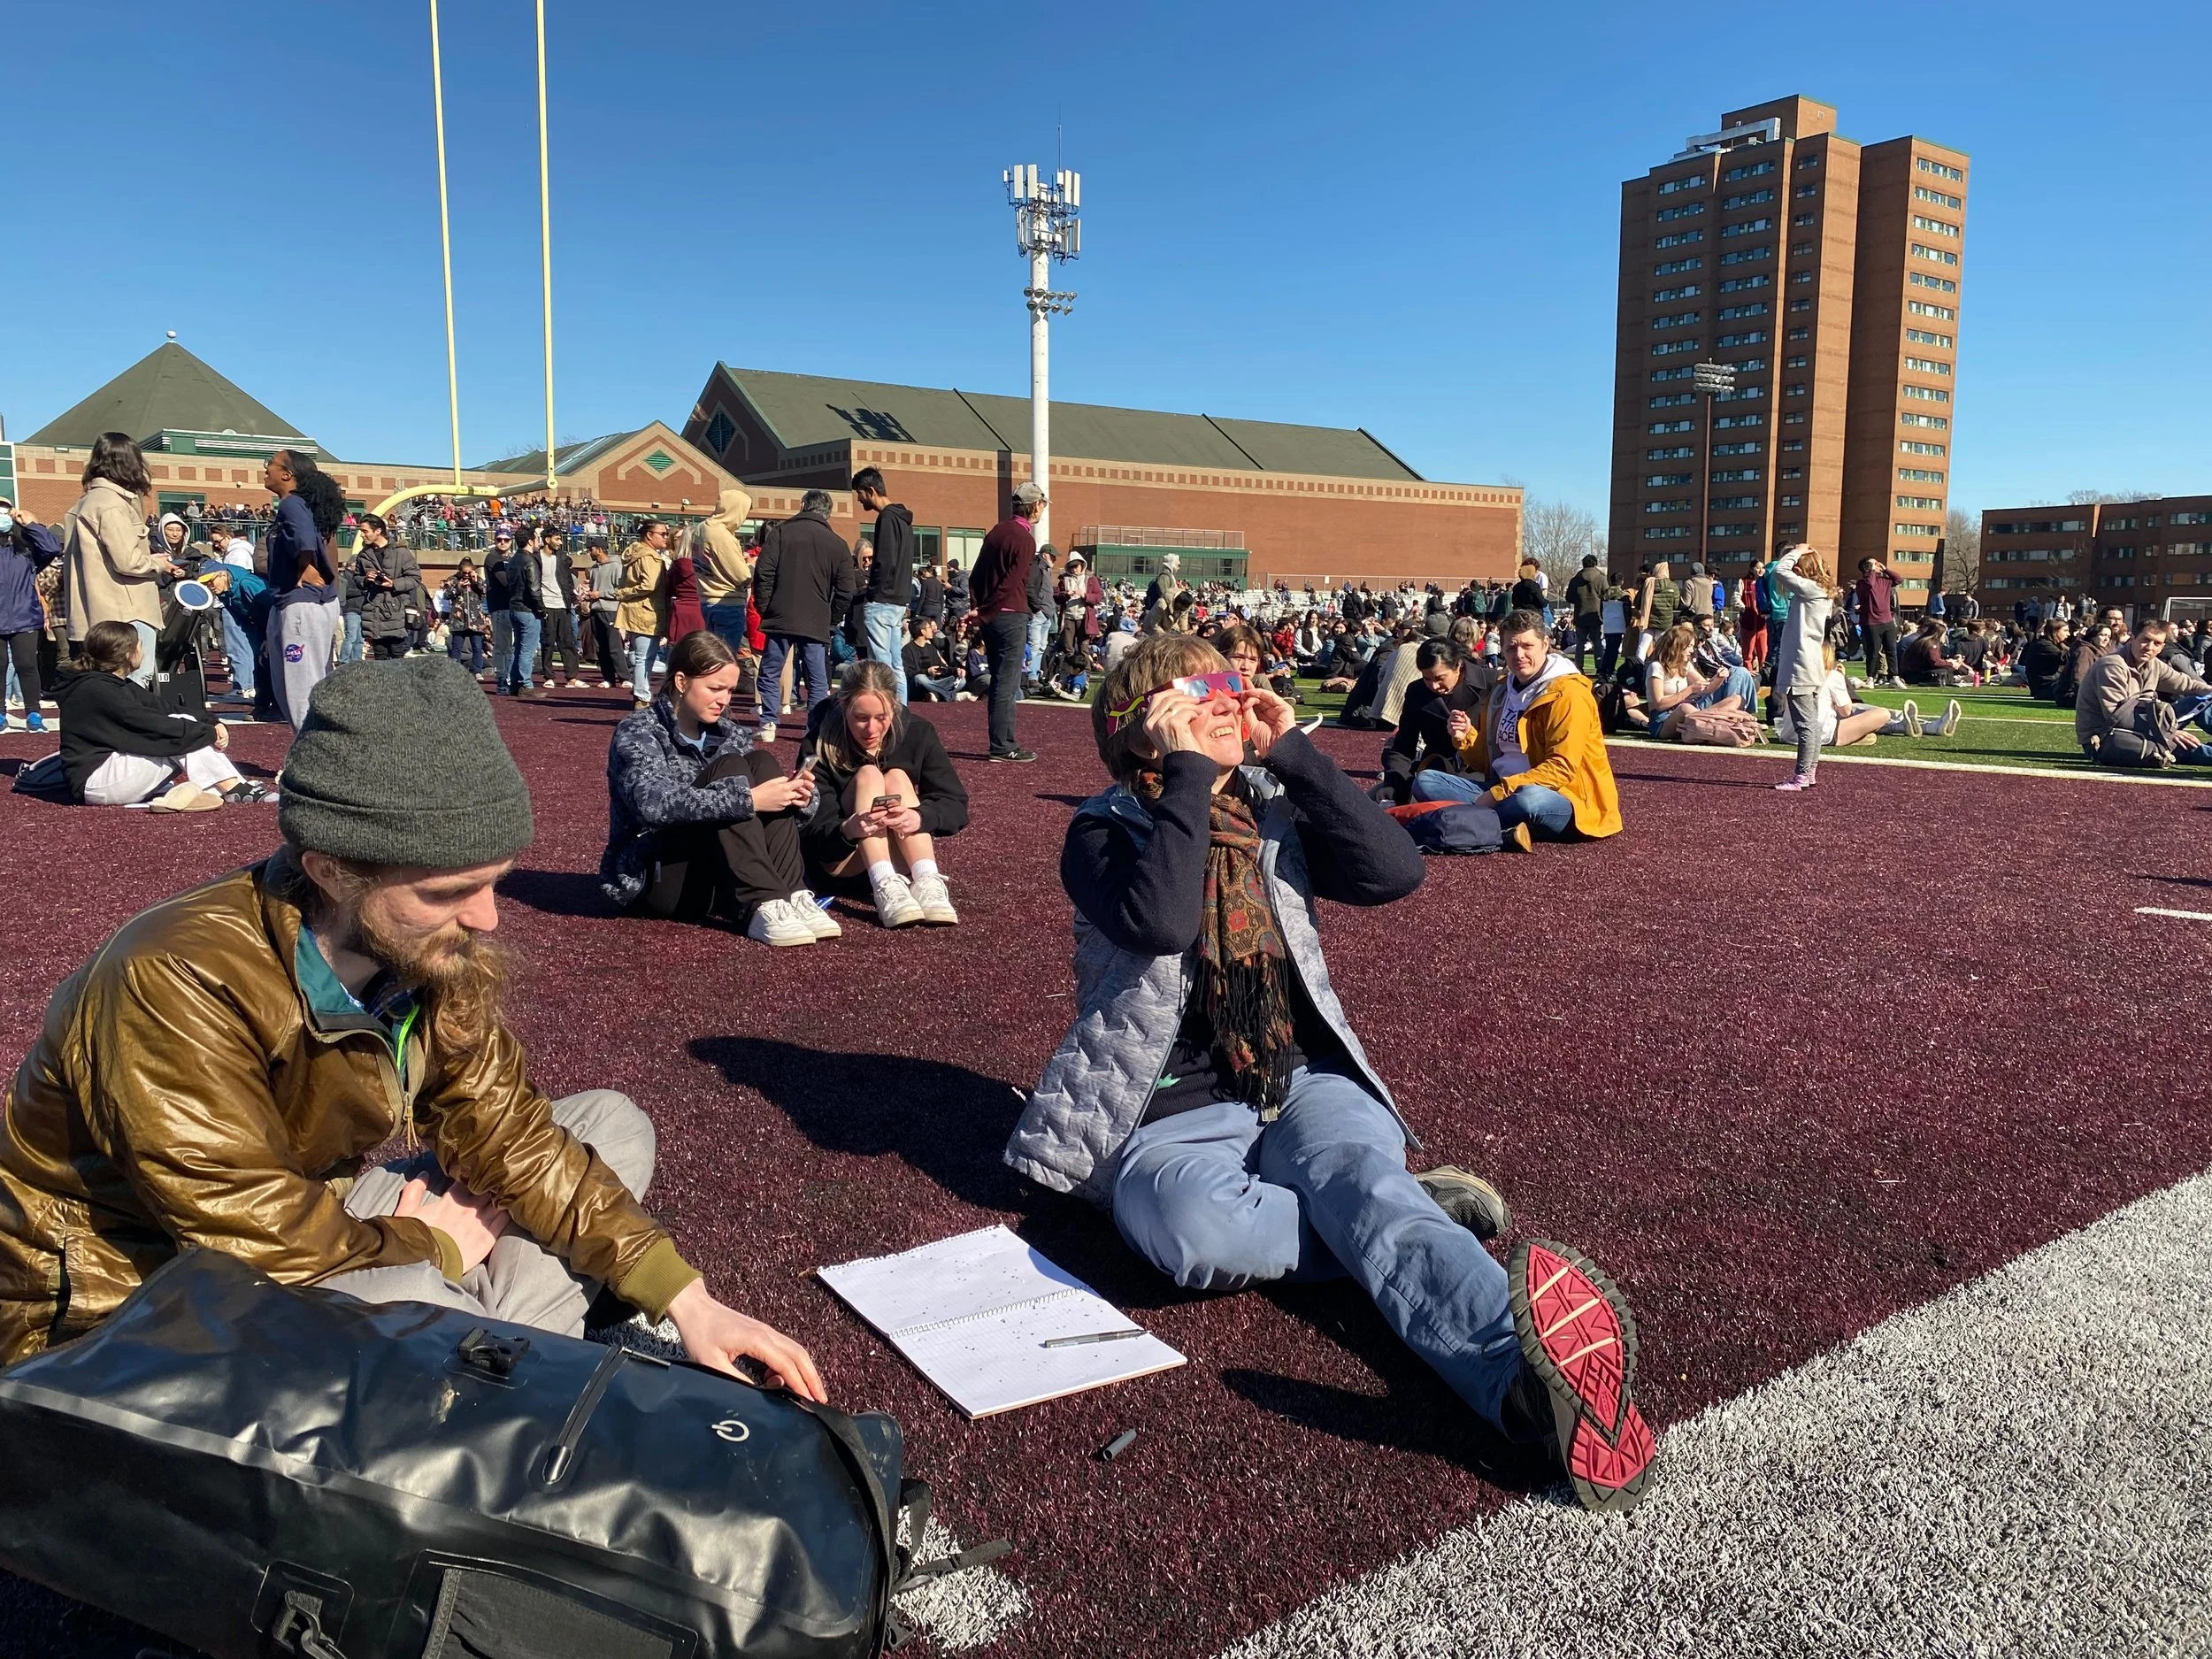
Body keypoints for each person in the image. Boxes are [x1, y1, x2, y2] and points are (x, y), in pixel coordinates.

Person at [0, 654, 825, 1398]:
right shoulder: (174, 977)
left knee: (611, 1126)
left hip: (315, 1213)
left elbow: (507, 1132)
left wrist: (687, 1298)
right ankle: (485, 1365)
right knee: (414, 1294)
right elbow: (252, 1241)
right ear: (331, 869)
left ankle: (471, 1367)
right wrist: (434, 1248)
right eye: (447, 891)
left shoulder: (425, 944)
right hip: (132, 1292)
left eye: (494, 880)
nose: (488, 916)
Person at [1002, 631, 1655, 1514]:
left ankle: (1526, 1388)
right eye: (1205, 694)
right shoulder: (1100, 830)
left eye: (1234, 685)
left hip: (1297, 1077)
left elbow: (1395, 874)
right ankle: (1396, 1211)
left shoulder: (1273, 801)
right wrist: (1187, 776)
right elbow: (1157, 920)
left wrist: (1299, 756)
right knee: (1195, 1231)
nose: (1231, 701)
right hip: (1168, 1111)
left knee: (1356, 1179)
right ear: (1142, 728)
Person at [600, 629, 833, 948]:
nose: (724, 699)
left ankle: (791, 894)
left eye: (729, 690)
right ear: (681, 682)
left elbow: (774, 816)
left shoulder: (732, 734)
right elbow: (652, 806)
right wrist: (749, 800)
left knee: (762, 762)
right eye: (715, 688)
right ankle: (763, 901)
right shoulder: (639, 731)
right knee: (732, 769)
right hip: (655, 875)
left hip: (721, 873)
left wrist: (799, 797)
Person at [1398, 610, 1623, 850]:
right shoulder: (1501, 690)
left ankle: (1465, 823)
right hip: (1502, 791)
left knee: (1530, 800)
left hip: (1565, 797)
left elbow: (1561, 769)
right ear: (1502, 649)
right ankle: (1497, 830)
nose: (1519, 655)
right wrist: (1466, 738)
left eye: (1527, 646)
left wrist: (1497, 794)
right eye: (1511, 648)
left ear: (1545, 644)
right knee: (1426, 781)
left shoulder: (1569, 694)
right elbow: (1488, 762)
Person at [796, 659, 967, 927]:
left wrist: (919, 817)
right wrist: (848, 829)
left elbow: (955, 803)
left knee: (897, 777)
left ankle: (926, 880)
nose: (872, 729)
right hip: (841, 861)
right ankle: (884, 883)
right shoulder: (819, 742)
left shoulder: (918, 732)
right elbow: (810, 827)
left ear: (895, 707)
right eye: (861, 718)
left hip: (900, 858)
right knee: (870, 774)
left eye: (882, 718)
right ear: (843, 707)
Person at [49, 620, 267, 809]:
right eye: (140, 646)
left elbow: (164, 708)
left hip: (105, 773)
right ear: (127, 653)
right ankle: (233, 787)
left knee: (185, 725)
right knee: (184, 730)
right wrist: (207, 733)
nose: (143, 652)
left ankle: (230, 786)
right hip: (95, 781)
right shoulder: (96, 690)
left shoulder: (112, 684)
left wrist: (212, 720)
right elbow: (149, 722)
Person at [59, 433, 171, 687]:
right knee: (133, 682)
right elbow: (127, 561)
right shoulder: (112, 504)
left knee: (102, 686)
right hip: (127, 612)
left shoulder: (83, 504)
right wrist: (157, 564)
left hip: (95, 614)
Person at [752, 490, 858, 743]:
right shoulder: (837, 543)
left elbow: (763, 573)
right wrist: (831, 616)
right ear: (828, 513)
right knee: (817, 677)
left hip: (780, 614)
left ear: (802, 506)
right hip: (815, 618)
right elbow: (847, 589)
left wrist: (766, 606)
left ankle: (768, 721)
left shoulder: (780, 533)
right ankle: (815, 727)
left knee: (770, 670)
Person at [260, 448, 346, 728]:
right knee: (303, 685)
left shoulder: (291, 503)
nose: (265, 469)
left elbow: (304, 537)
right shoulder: (307, 506)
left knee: (300, 689)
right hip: (304, 603)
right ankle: (315, 752)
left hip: (302, 605)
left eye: (270, 464)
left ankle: (313, 759)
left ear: (287, 474)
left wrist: (305, 565)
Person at [2075, 618, 2212, 769]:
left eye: (2156, 643)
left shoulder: (2153, 664)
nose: (2149, 647)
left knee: (2201, 699)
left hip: (2143, 725)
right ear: (2132, 639)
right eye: (2145, 640)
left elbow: (2188, 685)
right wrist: (2167, 733)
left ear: (2162, 647)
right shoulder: (2112, 665)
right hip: (2109, 737)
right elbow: (2116, 716)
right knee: (2185, 749)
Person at [972, 482, 1043, 762]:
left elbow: (976, 575)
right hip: (1010, 615)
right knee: (1006, 682)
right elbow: (1011, 582)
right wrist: (986, 610)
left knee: (1001, 680)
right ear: (1035, 505)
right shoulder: (1025, 539)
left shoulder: (997, 532)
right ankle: (1003, 746)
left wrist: (978, 608)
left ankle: (1000, 743)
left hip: (992, 616)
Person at [1775, 642, 1960, 749]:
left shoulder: (1792, 673)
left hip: (1789, 733)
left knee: (1861, 711)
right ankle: (1929, 726)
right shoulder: (1832, 676)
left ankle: (1914, 725)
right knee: (1882, 714)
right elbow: (1846, 712)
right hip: (1823, 735)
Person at [1377, 638, 1491, 802]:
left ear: (1458, 666)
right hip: (1436, 771)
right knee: (1377, 797)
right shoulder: (1417, 691)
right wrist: (1393, 783)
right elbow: (1403, 745)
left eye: (1440, 678)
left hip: (1483, 773)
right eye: (1427, 678)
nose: (1434, 686)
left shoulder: (1493, 683)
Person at [1769, 545, 1839, 792]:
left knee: (1805, 724)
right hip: (1810, 664)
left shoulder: (1810, 590)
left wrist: (1795, 552)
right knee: (1810, 723)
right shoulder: (1820, 593)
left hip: (1801, 665)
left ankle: (1801, 776)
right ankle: (1809, 773)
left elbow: (1780, 571)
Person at [850, 469, 914, 705]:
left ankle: (885, 710)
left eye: (860, 494)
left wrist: (872, 592)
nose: (859, 500)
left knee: (881, 663)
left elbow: (884, 560)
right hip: (899, 599)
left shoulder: (886, 518)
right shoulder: (903, 519)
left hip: (882, 599)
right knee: (896, 664)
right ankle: (901, 711)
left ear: (871, 491)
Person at [0, 496, 61, 732]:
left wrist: (30, 524)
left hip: (24, 616)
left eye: (5, 510)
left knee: (27, 665)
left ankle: (33, 713)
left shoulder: (26, 548)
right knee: (0, 665)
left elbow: (52, 547)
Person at [351, 513, 426, 662]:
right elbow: (356, 578)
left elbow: (415, 578)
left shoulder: (401, 552)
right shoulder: (363, 555)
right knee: (379, 658)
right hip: (373, 612)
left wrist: (394, 584)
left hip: (396, 612)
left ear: (378, 531)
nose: (362, 535)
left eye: (365, 531)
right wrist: (366, 580)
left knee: (397, 656)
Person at [617, 520, 672, 709]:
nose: (666, 537)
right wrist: (623, 593)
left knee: (642, 656)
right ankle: (642, 696)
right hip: (647, 610)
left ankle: (641, 693)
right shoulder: (649, 557)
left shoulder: (636, 553)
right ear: (649, 535)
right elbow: (649, 585)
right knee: (644, 657)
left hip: (638, 609)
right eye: (662, 533)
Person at [696, 487, 756, 661]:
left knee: (712, 655)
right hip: (727, 601)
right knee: (724, 660)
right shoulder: (722, 536)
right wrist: (752, 566)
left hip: (707, 597)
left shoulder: (702, 528)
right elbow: (742, 576)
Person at [491, 523, 549, 698]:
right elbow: (534, 588)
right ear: (531, 541)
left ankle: (515, 683)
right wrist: (542, 608)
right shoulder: (530, 561)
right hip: (527, 610)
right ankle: (526, 684)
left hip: (513, 607)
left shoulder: (513, 560)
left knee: (517, 648)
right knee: (527, 649)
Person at [536, 528, 585, 687]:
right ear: (547, 539)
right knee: (548, 642)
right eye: (557, 539)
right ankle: (549, 677)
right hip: (546, 606)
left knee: (567, 642)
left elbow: (567, 582)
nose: (560, 542)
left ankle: (572, 677)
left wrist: (573, 599)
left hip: (563, 605)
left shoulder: (563, 558)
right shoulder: (536, 558)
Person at [1854, 557, 1904, 687]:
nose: (1875, 566)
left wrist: (1885, 569)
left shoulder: (1885, 581)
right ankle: (1870, 677)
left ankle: (1894, 677)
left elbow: (1899, 580)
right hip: (1871, 622)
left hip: (1887, 621)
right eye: (1871, 564)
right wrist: (1871, 570)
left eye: (1875, 563)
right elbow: (1870, 584)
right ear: (1865, 568)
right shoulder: (1861, 583)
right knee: (1873, 651)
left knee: (1891, 650)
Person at [585, 537, 626, 688]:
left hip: (611, 610)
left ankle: (624, 677)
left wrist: (600, 594)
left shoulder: (616, 566)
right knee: (600, 647)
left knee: (614, 646)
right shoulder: (594, 568)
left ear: (600, 549)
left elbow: (621, 590)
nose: (589, 552)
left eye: (591, 549)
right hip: (596, 610)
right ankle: (608, 678)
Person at [442, 557, 490, 677]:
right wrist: (458, 586)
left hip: (476, 620)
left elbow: (485, 591)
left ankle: (477, 671)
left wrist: (476, 581)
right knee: (456, 647)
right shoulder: (453, 580)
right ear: (460, 571)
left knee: (477, 647)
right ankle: (455, 671)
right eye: (464, 573)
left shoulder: (478, 580)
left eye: (470, 572)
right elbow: (446, 595)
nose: (467, 575)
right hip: (459, 620)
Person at [902, 616, 960, 701]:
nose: (932, 630)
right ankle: (951, 696)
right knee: (920, 678)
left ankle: (935, 695)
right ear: (922, 631)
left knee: (961, 680)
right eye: (929, 627)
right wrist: (927, 671)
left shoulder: (931, 648)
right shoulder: (907, 650)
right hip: (918, 686)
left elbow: (941, 668)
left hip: (934, 682)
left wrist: (956, 670)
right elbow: (908, 674)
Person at [1565, 556, 1605, 671]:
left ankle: (1579, 666)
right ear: (1595, 564)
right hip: (1595, 615)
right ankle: (1599, 666)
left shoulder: (1575, 579)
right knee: (1597, 642)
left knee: (1580, 643)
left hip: (1580, 615)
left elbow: (1569, 598)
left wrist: (1579, 601)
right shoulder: (1601, 578)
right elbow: (1607, 595)